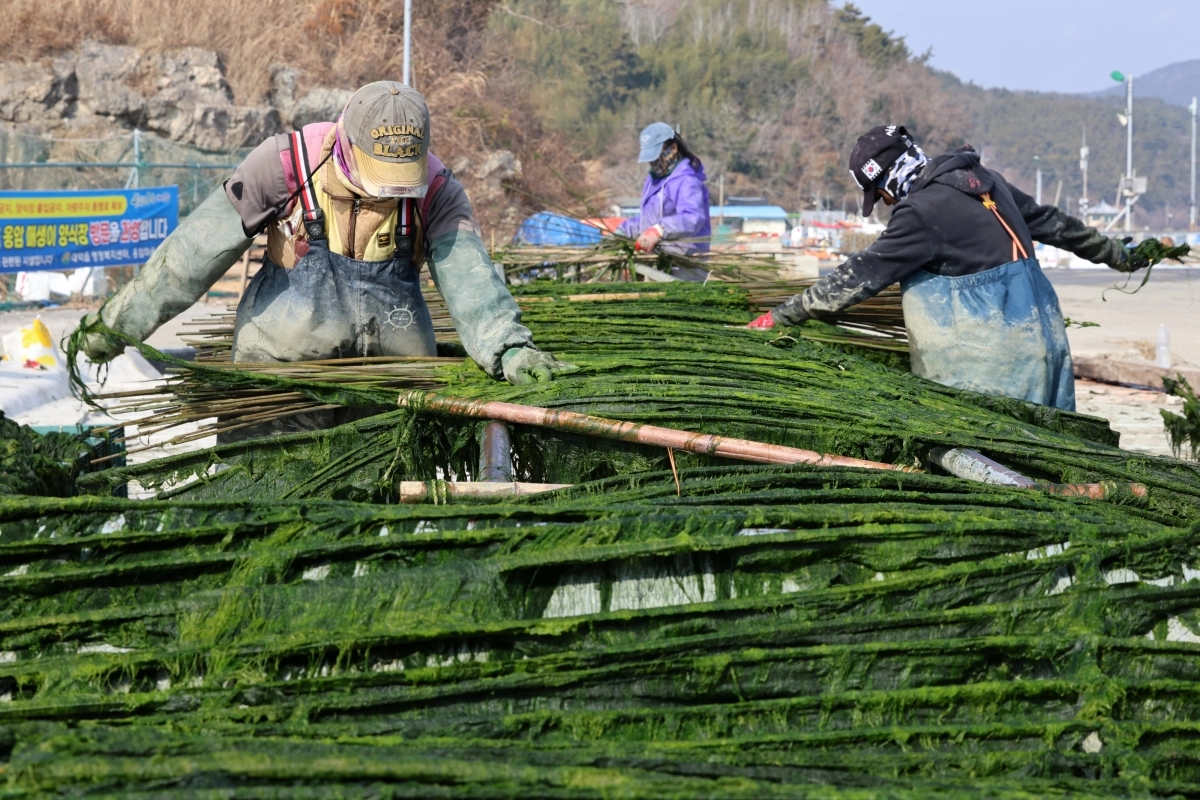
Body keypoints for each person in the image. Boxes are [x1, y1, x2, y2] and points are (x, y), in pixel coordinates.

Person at [76, 81, 574, 388]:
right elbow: (190, 256)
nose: (393, 189)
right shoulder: (284, 164)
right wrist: (116, 327)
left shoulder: (436, 189)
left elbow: (471, 279)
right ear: (347, 143)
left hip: (390, 382)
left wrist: (508, 348)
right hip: (277, 376)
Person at [747, 125, 1149, 411]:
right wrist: (1116, 253)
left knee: (1005, 475)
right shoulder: (987, 181)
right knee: (1053, 455)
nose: (886, 203)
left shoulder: (920, 212)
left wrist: (781, 315)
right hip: (1046, 341)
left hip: (993, 365)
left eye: (881, 193)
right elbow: (1055, 223)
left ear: (890, 179)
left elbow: (858, 277)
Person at [617, 123, 712, 266]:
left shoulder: (687, 181)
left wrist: (660, 230)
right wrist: (622, 232)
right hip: (658, 259)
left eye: (656, 156)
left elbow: (692, 218)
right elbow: (647, 221)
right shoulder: (654, 181)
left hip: (684, 262)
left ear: (673, 149)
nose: (653, 163)